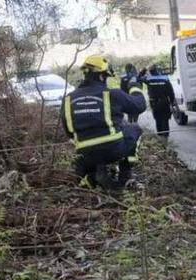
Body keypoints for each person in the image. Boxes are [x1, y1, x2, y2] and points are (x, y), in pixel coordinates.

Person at [61, 54, 147, 188]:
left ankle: (94, 174)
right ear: (101, 76)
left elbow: (69, 131)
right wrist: (134, 86)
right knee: (135, 129)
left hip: (86, 154)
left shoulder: (68, 99)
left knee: (94, 147)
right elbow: (140, 105)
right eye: (106, 76)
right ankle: (125, 176)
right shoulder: (111, 94)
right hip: (114, 150)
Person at [142, 64, 176, 140]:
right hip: (164, 103)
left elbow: (138, 78)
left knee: (158, 121)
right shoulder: (165, 78)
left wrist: (145, 69)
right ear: (158, 70)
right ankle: (165, 140)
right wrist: (172, 103)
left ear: (150, 71)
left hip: (154, 103)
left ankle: (161, 140)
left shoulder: (148, 79)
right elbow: (171, 92)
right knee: (165, 121)